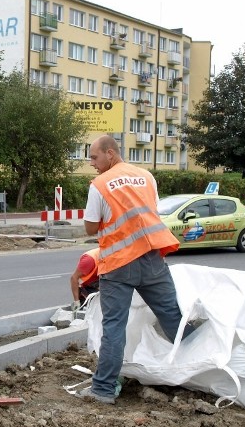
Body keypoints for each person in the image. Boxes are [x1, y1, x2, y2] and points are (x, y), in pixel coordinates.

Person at [76, 135, 194, 405]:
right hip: (152, 258)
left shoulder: (100, 185)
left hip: (118, 264)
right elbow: (150, 211)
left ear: (110, 153)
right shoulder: (146, 177)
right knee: (173, 317)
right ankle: (197, 366)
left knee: (114, 327)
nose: (91, 163)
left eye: (94, 157)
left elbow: (91, 228)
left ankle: (103, 390)